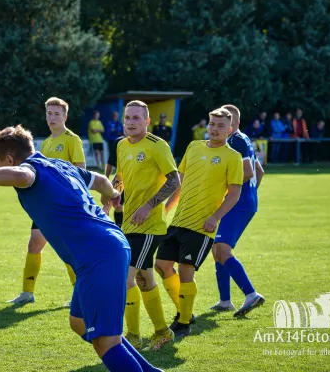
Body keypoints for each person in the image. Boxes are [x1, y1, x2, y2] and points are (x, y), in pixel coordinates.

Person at [0, 125, 164, 372]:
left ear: (10, 160)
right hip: (105, 248)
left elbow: (23, 176)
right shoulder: (60, 165)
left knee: (105, 342)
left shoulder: (30, 170)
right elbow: (102, 181)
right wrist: (111, 194)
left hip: (98, 255)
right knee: (79, 322)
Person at [155, 107, 243, 338]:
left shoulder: (233, 157)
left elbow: (234, 194)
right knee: (161, 265)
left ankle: (183, 322)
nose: (215, 129)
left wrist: (215, 217)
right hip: (179, 221)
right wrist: (166, 209)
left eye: (221, 126)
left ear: (229, 130)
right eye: (212, 124)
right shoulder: (194, 147)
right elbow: (179, 182)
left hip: (202, 225)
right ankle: (185, 311)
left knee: (186, 270)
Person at [108, 101, 180, 351]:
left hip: (149, 226)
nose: (131, 122)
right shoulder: (121, 145)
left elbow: (174, 181)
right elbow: (120, 177)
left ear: (147, 122)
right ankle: (163, 332)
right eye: (128, 118)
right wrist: (115, 193)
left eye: (136, 118)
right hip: (129, 223)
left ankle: (133, 337)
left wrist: (149, 206)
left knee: (125, 278)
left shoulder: (157, 146)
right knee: (144, 279)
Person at [8, 97, 85, 305]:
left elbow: (81, 171)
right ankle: (27, 293)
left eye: (57, 114)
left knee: (67, 250)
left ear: (65, 117)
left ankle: (80, 295)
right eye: (49, 113)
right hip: (44, 205)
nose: (52, 117)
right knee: (34, 243)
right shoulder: (47, 142)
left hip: (63, 205)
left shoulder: (72, 140)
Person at [210, 105, 265, 316]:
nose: (222, 126)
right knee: (217, 250)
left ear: (235, 123)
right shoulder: (243, 139)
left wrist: (234, 193)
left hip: (237, 204)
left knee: (223, 250)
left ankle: (251, 294)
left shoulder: (235, 141)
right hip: (242, 203)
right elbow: (260, 171)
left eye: (227, 122)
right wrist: (250, 196)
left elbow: (249, 172)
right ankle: (225, 301)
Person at [104, 134, 126, 228]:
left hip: (138, 181)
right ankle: (119, 228)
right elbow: (110, 162)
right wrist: (106, 178)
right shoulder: (119, 142)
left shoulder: (144, 143)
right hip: (121, 179)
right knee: (117, 205)